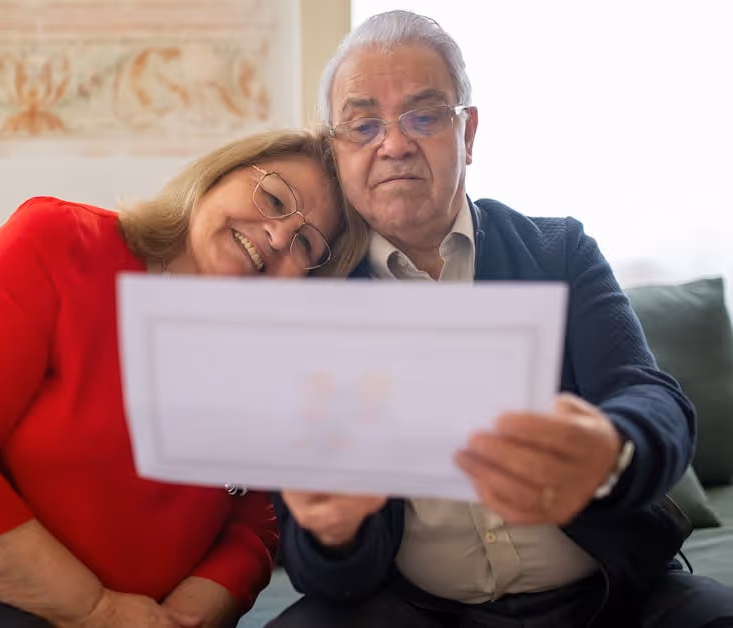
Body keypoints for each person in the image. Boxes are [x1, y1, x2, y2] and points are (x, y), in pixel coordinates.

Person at [0, 128, 369, 628]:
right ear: (217, 176)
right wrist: (95, 612)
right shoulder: (59, 245)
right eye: (273, 198)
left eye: (306, 245)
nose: (276, 236)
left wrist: (200, 606)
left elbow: (252, 518)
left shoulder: (260, 364)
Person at [268, 10, 733, 628]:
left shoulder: (558, 250)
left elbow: (648, 396)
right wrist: (333, 534)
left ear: (469, 133)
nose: (395, 143)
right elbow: (319, 566)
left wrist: (611, 448)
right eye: (364, 124)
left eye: (425, 116)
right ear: (337, 150)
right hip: (416, 611)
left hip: (614, 595)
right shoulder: (313, 302)